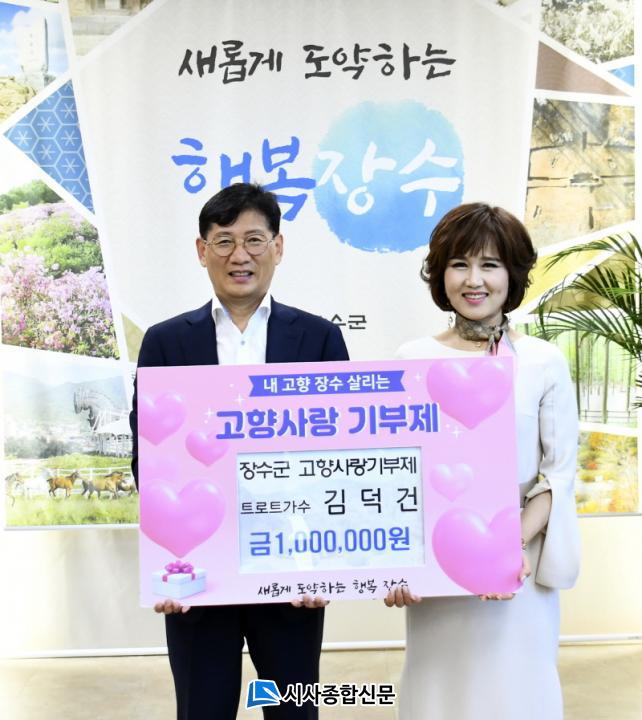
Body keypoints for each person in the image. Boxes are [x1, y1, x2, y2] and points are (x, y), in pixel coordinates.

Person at [129, 183, 349, 720]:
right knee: (203, 709)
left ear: (278, 247)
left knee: (293, 709)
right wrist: (170, 557)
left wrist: (324, 564)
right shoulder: (165, 342)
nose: (239, 255)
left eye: (254, 239)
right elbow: (148, 455)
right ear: (201, 251)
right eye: (224, 241)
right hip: (200, 568)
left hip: (293, 567)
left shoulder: (319, 339)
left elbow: (341, 455)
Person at [385, 203, 580, 719]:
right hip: (438, 572)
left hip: (516, 567)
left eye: (489, 265)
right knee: (440, 694)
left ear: (512, 274)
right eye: (459, 264)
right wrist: (397, 564)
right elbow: (397, 472)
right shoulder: (410, 359)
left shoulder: (542, 361)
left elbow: (558, 472)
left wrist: (506, 546)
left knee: (517, 694)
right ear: (440, 275)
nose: (474, 281)